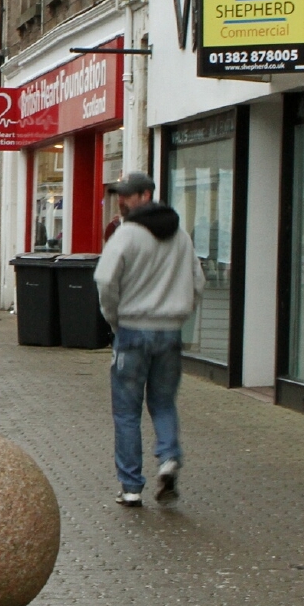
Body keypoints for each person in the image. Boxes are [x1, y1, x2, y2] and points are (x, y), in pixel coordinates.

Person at [94, 172, 201, 508]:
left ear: (146, 194)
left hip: (132, 331)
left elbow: (106, 281)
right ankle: (169, 457)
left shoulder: (126, 234)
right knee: (163, 402)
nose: (121, 201)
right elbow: (197, 282)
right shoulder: (181, 236)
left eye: (127, 195)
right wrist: (178, 315)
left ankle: (130, 486)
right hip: (169, 332)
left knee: (127, 411)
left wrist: (114, 318)